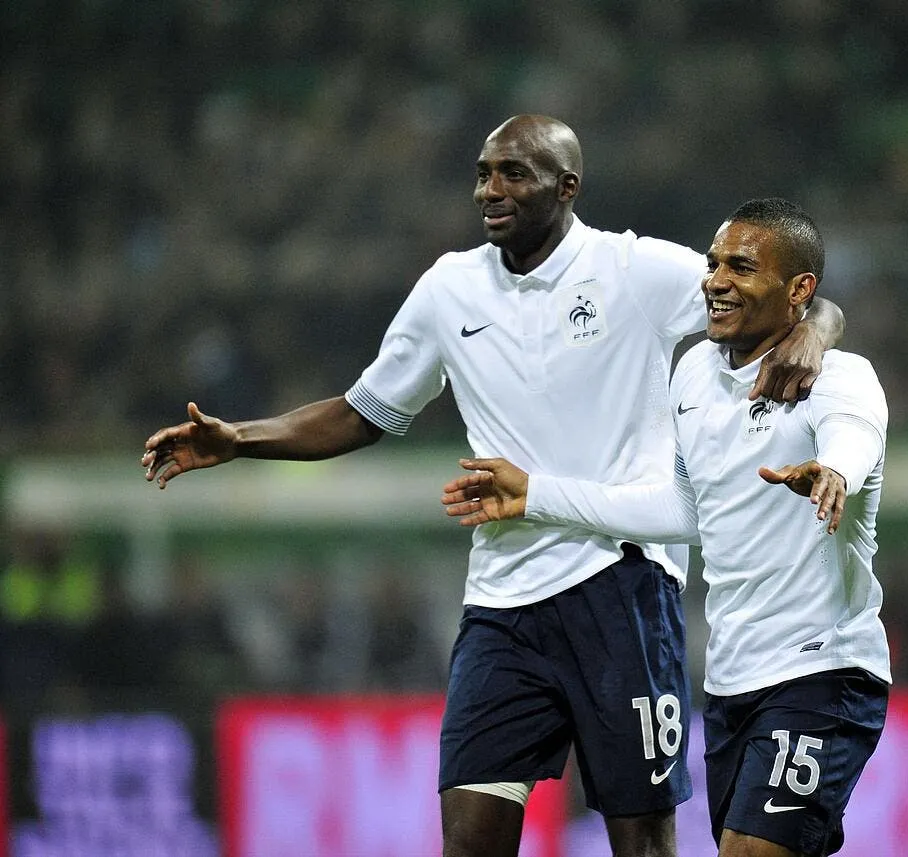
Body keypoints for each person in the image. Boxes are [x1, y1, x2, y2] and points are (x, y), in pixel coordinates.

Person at [141, 118, 846, 857]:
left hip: (623, 588)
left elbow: (779, 301)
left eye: (514, 173)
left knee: (641, 843)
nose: (490, 190)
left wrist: (815, 330)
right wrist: (239, 439)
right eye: (483, 173)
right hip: (502, 606)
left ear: (566, 187)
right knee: (471, 840)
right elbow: (363, 412)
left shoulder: (630, 270)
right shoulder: (450, 288)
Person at [442, 198, 889, 857]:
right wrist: (536, 493)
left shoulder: (840, 377)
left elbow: (856, 435)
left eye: (741, 266)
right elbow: (682, 513)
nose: (715, 280)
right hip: (734, 683)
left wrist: (834, 472)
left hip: (826, 671)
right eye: (713, 264)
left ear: (798, 290)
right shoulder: (693, 377)